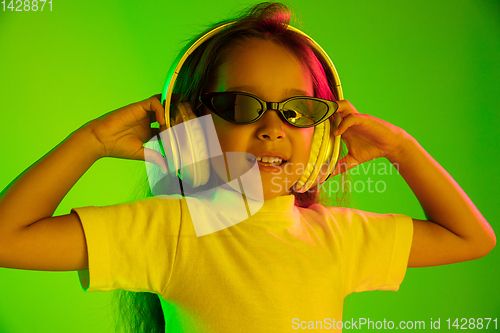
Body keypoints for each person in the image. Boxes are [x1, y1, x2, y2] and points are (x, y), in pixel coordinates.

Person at [0, 2, 495, 333]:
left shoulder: (339, 238)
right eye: (241, 105)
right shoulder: (165, 231)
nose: (274, 128)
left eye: (298, 110)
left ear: (324, 130)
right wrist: (92, 141)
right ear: (190, 120)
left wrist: (402, 150)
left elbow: (472, 238)